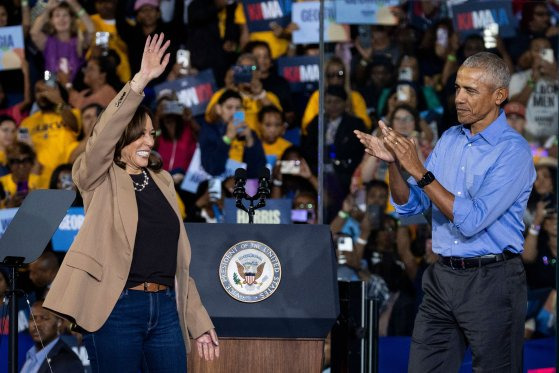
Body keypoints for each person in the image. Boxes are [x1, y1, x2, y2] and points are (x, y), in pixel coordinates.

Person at [43, 34, 219, 371]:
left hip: (166, 309)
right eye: (140, 134)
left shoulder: (163, 181)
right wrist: (140, 81)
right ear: (122, 137)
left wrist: (199, 322)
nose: (148, 141)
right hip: (116, 307)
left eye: (152, 134)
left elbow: (180, 265)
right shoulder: (99, 175)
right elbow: (101, 137)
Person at [355, 52, 535, 371]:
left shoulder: (513, 151)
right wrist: (395, 165)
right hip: (441, 278)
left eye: (470, 91)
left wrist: (420, 171)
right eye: (457, 88)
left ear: (499, 96)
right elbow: (412, 206)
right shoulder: (451, 139)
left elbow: (471, 219)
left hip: (492, 280)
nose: (459, 99)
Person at [30, 0, 95, 81]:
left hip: (75, 88)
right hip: (50, 87)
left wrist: (75, 5)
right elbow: (34, 33)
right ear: (51, 21)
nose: (61, 19)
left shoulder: (78, 41)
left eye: (65, 15)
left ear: (71, 19)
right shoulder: (47, 41)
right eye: (57, 16)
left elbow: (91, 30)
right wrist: (47, 10)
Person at [21, 300, 83, 373]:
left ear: (59, 323)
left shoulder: (68, 362)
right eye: (32, 318)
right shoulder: (29, 355)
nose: (36, 324)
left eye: (44, 318)